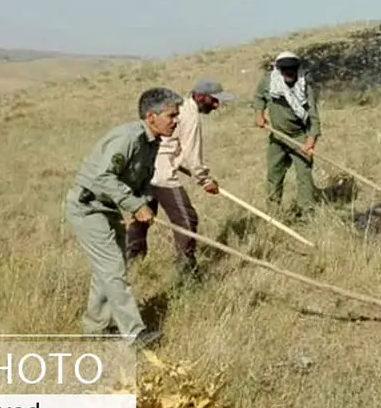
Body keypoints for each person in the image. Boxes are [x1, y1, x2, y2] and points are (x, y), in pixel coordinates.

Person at [64, 87, 182, 348]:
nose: (175, 121)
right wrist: (135, 205)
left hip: (108, 209)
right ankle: (134, 334)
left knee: (107, 270)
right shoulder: (127, 138)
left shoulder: (152, 143)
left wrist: (141, 204)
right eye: (171, 116)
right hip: (88, 208)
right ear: (151, 116)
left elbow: (140, 180)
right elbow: (103, 177)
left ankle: (95, 328)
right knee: (114, 269)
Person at [126, 79, 234, 281]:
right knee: (186, 219)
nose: (217, 105)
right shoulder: (190, 115)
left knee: (141, 216)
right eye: (213, 101)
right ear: (201, 97)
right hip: (161, 174)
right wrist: (205, 180)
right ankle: (187, 272)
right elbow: (193, 155)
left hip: (144, 169)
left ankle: (131, 263)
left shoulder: (174, 108)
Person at [254, 51, 321, 217]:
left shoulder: (305, 85)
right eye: (285, 70)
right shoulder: (269, 82)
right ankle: (273, 213)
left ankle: (307, 212)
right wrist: (259, 114)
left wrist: (311, 140)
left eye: (292, 70)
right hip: (277, 136)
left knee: (304, 176)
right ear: (279, 70)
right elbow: (259, 97)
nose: (289, 73)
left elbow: (313, 115)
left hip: (300, 137)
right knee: (274, 175)